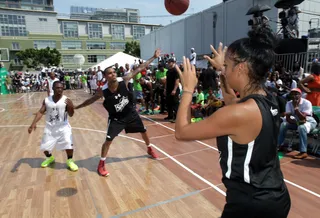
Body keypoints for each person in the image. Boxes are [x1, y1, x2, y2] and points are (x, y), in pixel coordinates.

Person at [174, 27, 290, 218]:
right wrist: (222, 70)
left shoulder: (238, 114)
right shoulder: (268, 99)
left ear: (241, 67)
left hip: (251, 205)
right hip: (275, 196)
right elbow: (231, 99)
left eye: (227, 66)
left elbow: (182, 132)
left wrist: (187, 89)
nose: (224, 70)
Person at [74, 49, 161, 177]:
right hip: (116, 118)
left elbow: (140, 67)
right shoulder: (102, 91)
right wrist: (77, 107)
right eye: (109, 73)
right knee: (108, 141)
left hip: (130, 113)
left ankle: (149, 148)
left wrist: (153, 57)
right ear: (105, 76)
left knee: (144, 131)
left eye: (114, 72)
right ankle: (101, 164)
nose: (113, 74)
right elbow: (90, 100)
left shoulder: (124, 80)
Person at [28, 81, 78, 171]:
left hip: (63, 127)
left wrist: (70, 107)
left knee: (68, 143)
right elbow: (40, 112)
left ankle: (70, 160)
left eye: (61, 88)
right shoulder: (47, 100)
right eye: (57, 88)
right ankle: (49, 158)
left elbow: (71, 114)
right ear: (53, 88)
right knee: (44, 147)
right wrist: (33, 123)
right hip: (50, 127)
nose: (60, 89)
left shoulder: (67, 100)